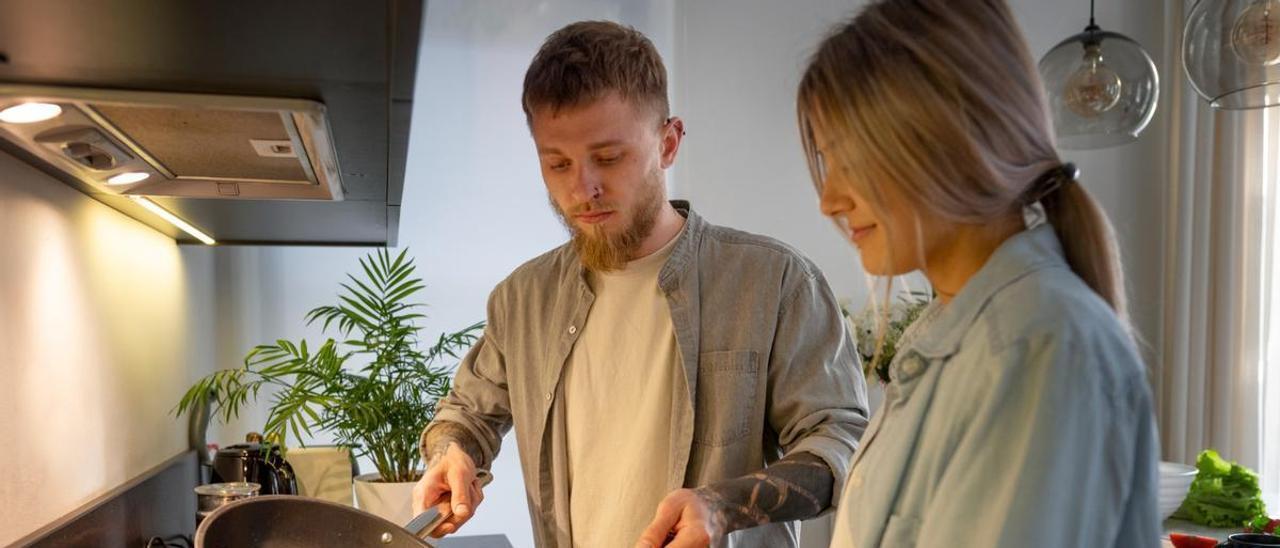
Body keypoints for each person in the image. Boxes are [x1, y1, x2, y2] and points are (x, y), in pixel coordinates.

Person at [413, 20, 870, 548]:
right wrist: (453, 453)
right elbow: (468, 414)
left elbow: (841, 442)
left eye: (609, 158)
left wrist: (721, 508)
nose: (583, 188)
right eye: (557, 163)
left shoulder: (775, 282)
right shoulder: (522, 300)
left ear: (669, 142)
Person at [794, 1, 1160, 547]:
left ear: (950, 137)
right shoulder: (959, 338)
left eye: (848, 158)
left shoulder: (1037, 346)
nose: (829, 200)